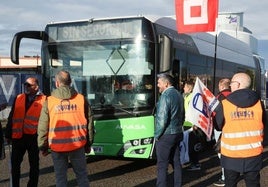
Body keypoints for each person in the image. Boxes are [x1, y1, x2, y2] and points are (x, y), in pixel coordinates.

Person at [38, 70, 94, 187]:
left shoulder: (49, 101)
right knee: (82, 176)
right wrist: (88, 143)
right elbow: (89, 122)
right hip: (78, 145)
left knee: (60, 177)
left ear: (57, 83)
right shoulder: (81, 99)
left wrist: (43, 146)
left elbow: (43, 126)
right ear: (70, 82)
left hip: (57, 147)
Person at [214, 73, 264, 187]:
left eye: (231, 83)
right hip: (253, 155)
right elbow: (264, 125)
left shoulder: (225, 104)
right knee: (253, 184)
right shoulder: (259, 104)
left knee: (230, 184)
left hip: (231, 155)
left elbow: (217, 126)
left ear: (237, 84)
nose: (230, 86)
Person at [5, 77, 46, 187]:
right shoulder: (19, 97)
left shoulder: (44, 100)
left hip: (33, 137)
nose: (26, 87)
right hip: (18, 137)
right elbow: (11, 116)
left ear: (36, 87)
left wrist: (44, 138)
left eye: (29, 85)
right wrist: (8, 134)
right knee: (15, 165)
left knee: (34, 165)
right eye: (25, 85)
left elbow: (47, 121)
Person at [154, 73, 184, 187]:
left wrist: (157, 135)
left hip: (166, 135)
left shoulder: (165, 96)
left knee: (162, 165)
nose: (158, 85)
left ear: (166, 84)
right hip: (177, 133)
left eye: (159, 83)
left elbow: (162, 119)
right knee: (176, 162)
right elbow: (182, 115)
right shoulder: (179, 94)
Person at [183, 80, 206, 171]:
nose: (183, 88)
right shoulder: (188, 96)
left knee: (192, 145)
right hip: (187, 123)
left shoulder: (191, 97)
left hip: (191, 124)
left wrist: (194, 124)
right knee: (189, 144)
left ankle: (195, 164)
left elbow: (194, 111)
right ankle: (193, 162)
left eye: (185, 86)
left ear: (189, 88)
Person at [213, 78, 231, 187]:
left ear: (222, 86)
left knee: (222, 153)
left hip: (221, 128)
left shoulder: (219, 97)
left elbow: (215, 114)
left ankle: (225, 177)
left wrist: (216, 127)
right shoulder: (234, 96)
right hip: (232, 127)